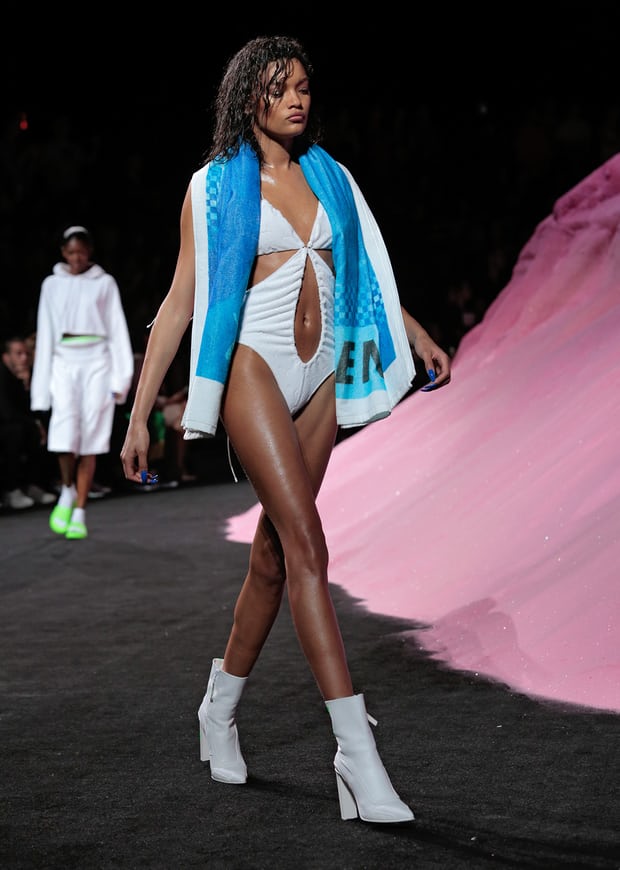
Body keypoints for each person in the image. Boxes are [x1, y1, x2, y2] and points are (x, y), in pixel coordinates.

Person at [120, 35, 451, 823]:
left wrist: (412, 332)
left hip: (325, 372)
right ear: (250, 98)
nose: (298, 98)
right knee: (308, 545)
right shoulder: (211, 187)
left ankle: (218, 707)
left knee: (273, 556)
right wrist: (138, 415)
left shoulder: (330, 176)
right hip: (253, 366)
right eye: (281, 87)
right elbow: (179, 301)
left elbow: (364, 269)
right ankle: (355, 752)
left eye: (304, 86)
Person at [31, 226, 134, 539]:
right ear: (64, 252)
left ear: (89, 252)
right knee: (64, 432)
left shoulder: (104, 283)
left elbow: (116, 329)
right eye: (71, 252)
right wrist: (40, 392)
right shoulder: (51, 285)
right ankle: (67, 489)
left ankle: (79, 510)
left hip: (97, 362)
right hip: (63, 361)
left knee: (91, 437)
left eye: (81, 251)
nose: (76, 257)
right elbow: (45, 333)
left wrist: (121, 378)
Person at [0, 335, 56, 509]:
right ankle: (12, 490)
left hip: (20, 424)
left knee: (44, 428)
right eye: (18, 354)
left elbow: (35, 408)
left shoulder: (28, 375)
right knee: (16, 433)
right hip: (7, 426)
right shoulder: (2, 375)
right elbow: (6, 412)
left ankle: (34, 485)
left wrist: (26, 385)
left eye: (26, 353)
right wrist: (34, 424)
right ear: (6, 357)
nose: (24, 358)